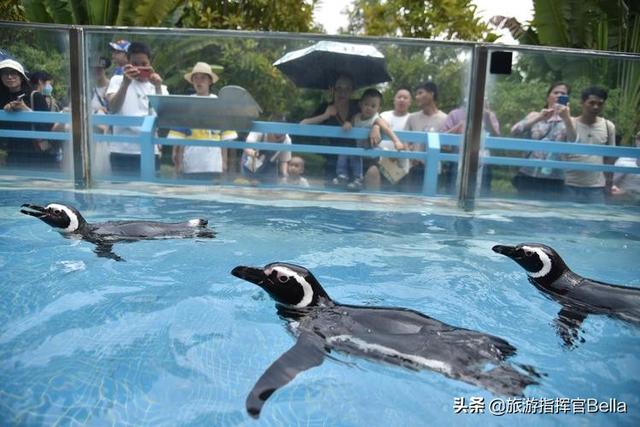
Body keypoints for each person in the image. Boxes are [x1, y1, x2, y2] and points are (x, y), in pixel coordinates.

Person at [300, 74, 381, 185]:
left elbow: (376, 116)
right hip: (333, 160)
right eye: (339, 88)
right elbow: (302, 124)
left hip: (357, 158)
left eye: (347, 89)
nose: (343, 92)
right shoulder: (325, 107)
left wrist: (376, 127)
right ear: (332, 89)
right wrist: (325, 115)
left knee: (372, 173)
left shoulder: (358, 106)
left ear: (352, 91)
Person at [105, 41, 168, 174]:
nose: (139, 68)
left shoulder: (159, 86)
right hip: (121, 149)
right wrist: (125, 84)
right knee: (121, 193)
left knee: (150, 193)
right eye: (135, 64)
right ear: (127, 62)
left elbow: (164, 115)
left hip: (150, 149)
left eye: (144, 64)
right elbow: (113, 107)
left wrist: (157, 87)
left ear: (150, 63)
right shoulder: (117, 80)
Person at [169, 62, 237, 181]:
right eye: (196, 78)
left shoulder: (219, 103)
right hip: (191, 162)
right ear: (192, 81)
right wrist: (177, 160)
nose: (199, 81)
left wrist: (224, 162)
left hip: (213, 163)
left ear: (210, 81)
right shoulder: (187, 103)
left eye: (203, 78)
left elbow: (224, 138)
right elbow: (179, 137)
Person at [510, 82, 573, 199]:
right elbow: (514, 130)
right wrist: (539, 117)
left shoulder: (570, 120)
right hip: (528, 173)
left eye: (563, 94)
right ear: (548, 96)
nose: (559, 95)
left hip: (555, 177)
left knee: (550, 213)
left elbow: (574, 141)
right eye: (555, 92)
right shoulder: (534, 115)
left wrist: (566, 118)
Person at [338, 88, 405, 190]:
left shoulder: (376, 119)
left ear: (378, 109)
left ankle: (358, 179)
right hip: (360, 151)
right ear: (360, 104)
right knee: (346, 152)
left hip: (372, 152)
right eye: (366, 104)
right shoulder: (356, 117)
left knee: (364, 158)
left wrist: (396, 141)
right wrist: (348, 124)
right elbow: (350, 124)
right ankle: (343, 176)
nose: (369, 108)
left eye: (373, 106)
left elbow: (387, 128)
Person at [0, 58, 58, 168]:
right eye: (5, 74)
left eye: (13, 73)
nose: (9, 77)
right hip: (13, 152)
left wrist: (25, 109)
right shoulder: (2, 98)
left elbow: (48, 125)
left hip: (37, 152)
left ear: (21, 76)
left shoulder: (35, 96)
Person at [563, 86, 614, 204]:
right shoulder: (570, 123)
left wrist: (609, 182)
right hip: (569, 184)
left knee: (596, 219)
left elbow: (611, 157)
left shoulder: (608, 126)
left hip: (596, 187)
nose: (596, 107)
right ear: (582, 103)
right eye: (591, 103)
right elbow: (561, 151)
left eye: (600, 104)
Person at [441, 100, 501, 195]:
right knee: (452, 191)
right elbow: (443, 137)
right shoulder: (455, 114)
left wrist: (487, 117)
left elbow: (497, 138)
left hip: (483, 160)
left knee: (483, 192)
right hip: (457, 158)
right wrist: (460, 125)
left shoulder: (490, 115)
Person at [364, 87, 412, 190]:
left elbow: (414, 143)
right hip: (382, 162)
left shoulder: (412, 118)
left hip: (402, 165)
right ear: (394, 100)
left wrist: (401, 151)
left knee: (399, 198)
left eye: (405, 98)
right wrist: (376, 127)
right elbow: (376, 122)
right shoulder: (384, 115)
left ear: (410, 102)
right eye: (399, 97)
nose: (402, 100)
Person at [403, 81, 448, 192]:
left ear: (431, 94)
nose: (417, 97)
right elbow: (404, 140)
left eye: (420, 93)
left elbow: (448, 147)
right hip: (414, 168)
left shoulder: (445, 118)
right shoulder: (412, 118)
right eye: (416, 94)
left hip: (436, 169)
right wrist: (409, 153)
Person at [240, 113, 292, 184]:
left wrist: (285, 174)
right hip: (252, 162)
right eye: (276, 136)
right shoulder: (259, 131)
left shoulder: (287, 140)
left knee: (270, 190)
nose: (279, 139)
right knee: (251, 186)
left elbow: (284, 161)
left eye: (282, 135)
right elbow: (247, 147)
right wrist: (254, 153)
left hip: (270, 167)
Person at [610, 131, 640, 203]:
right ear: (637, 141)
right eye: (638, 139)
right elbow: (611, 184)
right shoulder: (624, 161)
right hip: (627, 201)